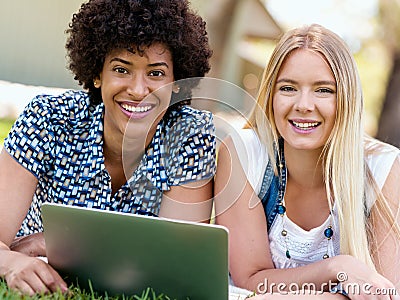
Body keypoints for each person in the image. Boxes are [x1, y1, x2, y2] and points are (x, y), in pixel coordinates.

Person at [0, 0, 215, 295]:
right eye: (122, 69)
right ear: (97, 74)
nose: (139, 90)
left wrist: (64, 246)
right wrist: (10, 262)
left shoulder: (191, 135)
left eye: (156, 73)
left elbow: (174, 265)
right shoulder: (48, 118)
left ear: (177, 81)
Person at [215, 24, 400, 299]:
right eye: (288, 88)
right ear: (271, 96)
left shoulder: (383, 168)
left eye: (323, 90)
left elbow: (382, 294)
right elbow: (251, 281)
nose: (303, 104)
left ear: (346, 99)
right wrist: (337, 268)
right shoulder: (244, 153)